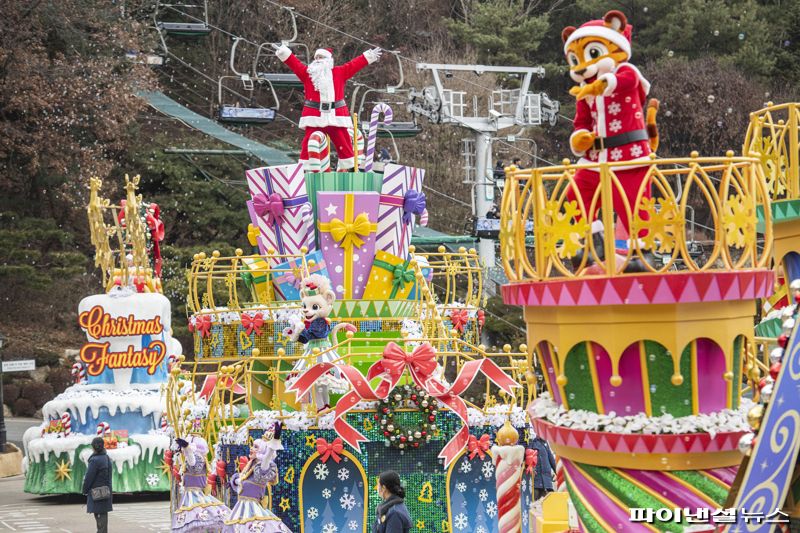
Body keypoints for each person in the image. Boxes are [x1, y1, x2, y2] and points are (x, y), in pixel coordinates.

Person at [272, 43, 382, 171]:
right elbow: (294, 63)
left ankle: (351, 168)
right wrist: (284, 52)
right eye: (316, 58)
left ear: (328, 61)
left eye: (321, 57)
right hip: (315, 117)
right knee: (308, 143)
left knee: (344, 142)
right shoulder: (308, 74)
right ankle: (305, 170)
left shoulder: (339, 72)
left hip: (335, 116)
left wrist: (367, 56)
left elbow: (354, 65)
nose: (318, 60)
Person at [223, 424, 291, 533]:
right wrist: (232, 482)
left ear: (262, 451)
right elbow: (242, 481)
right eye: (252, 445)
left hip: (253, 510)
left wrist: (274, 442)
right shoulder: (250, 465)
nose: (251, 448)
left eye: (256, 447)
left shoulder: (262, 467)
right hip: (240, 508)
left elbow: (267, 458)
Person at [172, 434, 229, 532]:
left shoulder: (197, 457)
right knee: (195, 523)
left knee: (195, 521)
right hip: (191, 494)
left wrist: (187, 449)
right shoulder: (199, 457)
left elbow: (193, 463)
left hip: (194, 496)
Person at [82, 437, 112, 533]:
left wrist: (85, 490)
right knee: (102, 518)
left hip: (97, 493)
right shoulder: (106, 458)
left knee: (100, 520)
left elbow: (89, 477)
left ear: (93, 447)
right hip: (105, 492)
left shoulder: (94, 460)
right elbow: (110, 476)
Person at [531, 434, 557, 500]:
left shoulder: (544, 442)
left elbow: (551, 459)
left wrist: (558, 472)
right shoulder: (530, 442)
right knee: (535, 505)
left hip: (547, 482)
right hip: (535, 482)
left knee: (549, 503)